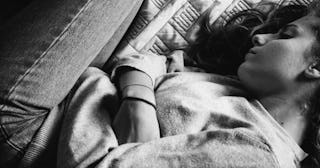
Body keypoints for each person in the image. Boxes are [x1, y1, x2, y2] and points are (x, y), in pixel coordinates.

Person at [0, 1, 318, 168]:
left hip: (30, 133)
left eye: (287, 35)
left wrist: (138, 92)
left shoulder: (259, 158)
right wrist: (139, 99)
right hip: (68, 93)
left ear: (316, 66)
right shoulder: (239, 96)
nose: (261, 36)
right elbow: (148, 64)